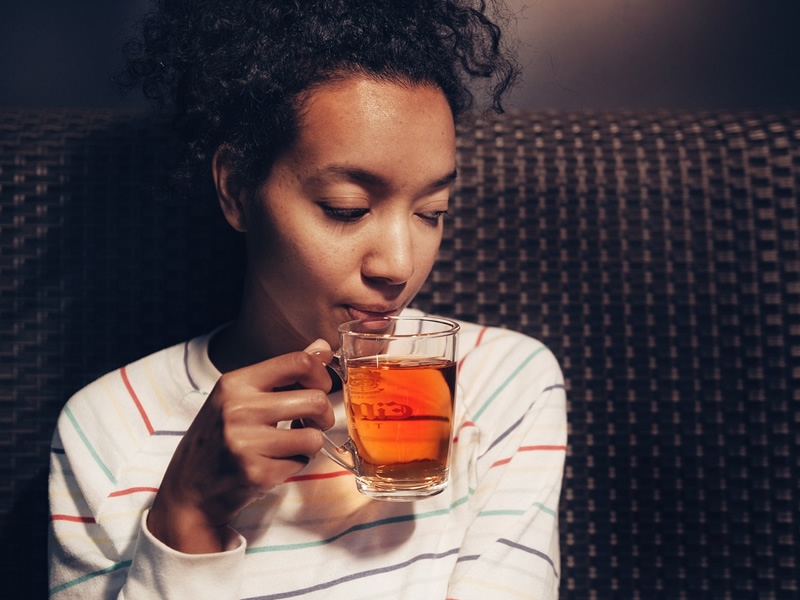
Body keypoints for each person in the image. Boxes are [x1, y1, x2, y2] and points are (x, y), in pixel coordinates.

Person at [48, 1, 567, 598]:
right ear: (237, 189)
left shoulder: (501, 385)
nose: (398, 266)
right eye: (346, 209)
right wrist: (186, 522)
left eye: (432, 212)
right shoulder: (106, 429)